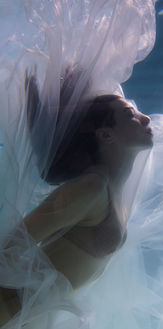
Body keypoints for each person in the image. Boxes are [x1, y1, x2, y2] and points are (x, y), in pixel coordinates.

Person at [0, 71, 153, 325]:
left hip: (29, 312)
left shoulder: (111, 191)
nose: (145, 117)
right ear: (105, 135)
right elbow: (11, 244)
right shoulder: (92, 189)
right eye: (130, 115)